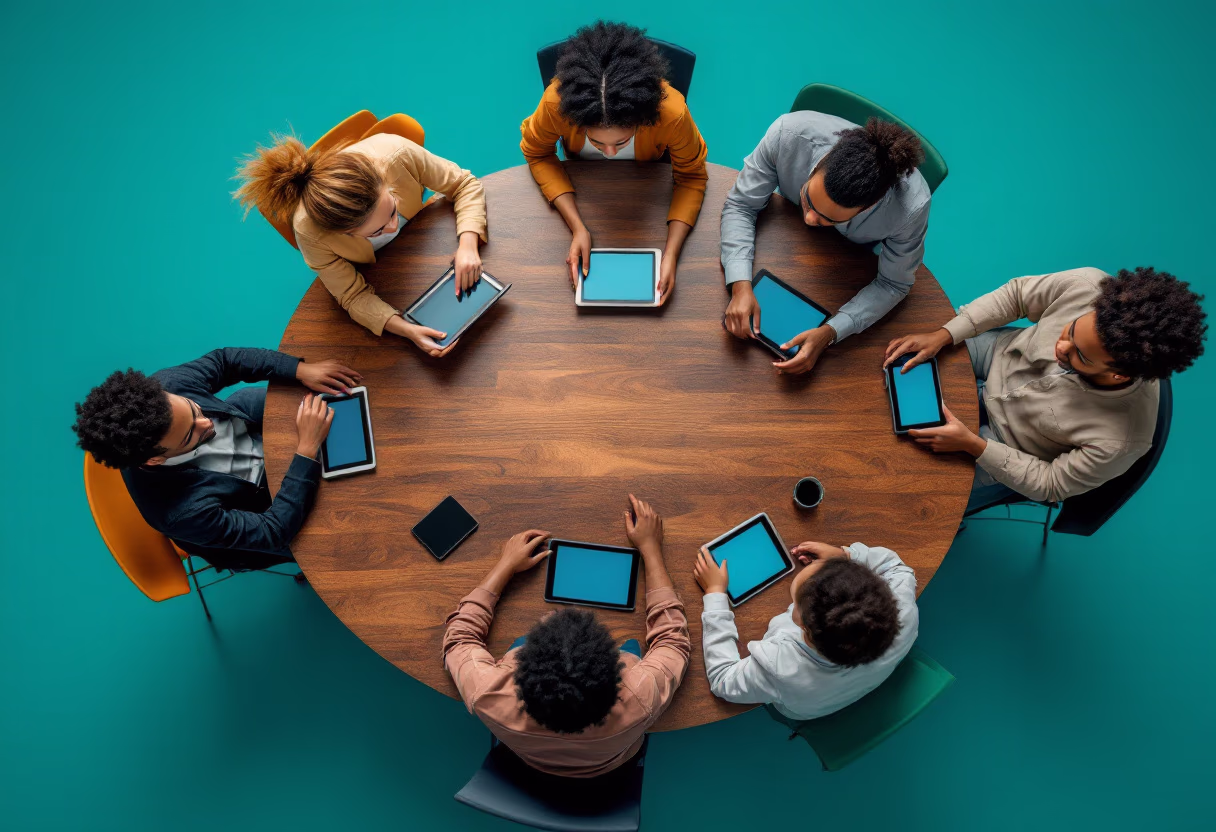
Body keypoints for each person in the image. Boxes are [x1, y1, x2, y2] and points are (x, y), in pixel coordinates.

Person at [883, 267, 1208, 510]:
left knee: (915, 495)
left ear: (1118, 376)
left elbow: (1050, 484)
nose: (1061, 347)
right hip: (996, 353)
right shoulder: (1089, 286)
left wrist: (973, 444)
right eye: (1071, 330)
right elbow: (1017, 295)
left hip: (1005, 444)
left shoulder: (1121, 441)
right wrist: (945, 334)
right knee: (896, 358)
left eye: (1079, 354)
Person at [442, 495, 691, 777]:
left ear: (519, 674)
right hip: (608, 768)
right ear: (618, 674)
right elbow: (672, 641)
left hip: (529, 763)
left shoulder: (488, 692)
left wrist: (505, 565)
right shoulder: (639, 696)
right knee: (635, 646)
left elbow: (459, 638)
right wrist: (651, 549)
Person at [73, 348, 359, 572]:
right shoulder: (180, 513)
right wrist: (307, 448)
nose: (208, 423)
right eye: (189, 436)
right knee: (341, 542)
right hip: (260, 508)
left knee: (342, 413)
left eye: (193, 408)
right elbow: (275, 532)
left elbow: (226, 360)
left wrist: (300, 369)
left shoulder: (167, 387)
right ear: (155, 460)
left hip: (252, 429)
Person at [235, 131, 487, 356]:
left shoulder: (396, 153)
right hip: (385, 276)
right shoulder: (310, 233)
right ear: (342, 234)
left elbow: (463, 184)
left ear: (384, 180)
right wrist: (407, 330)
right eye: (377, 231)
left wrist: (467, 244)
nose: (393, 227)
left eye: (391, 210)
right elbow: (352, 295)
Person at [720, 111, 930, 374]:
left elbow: (894, 283)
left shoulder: (911, 209)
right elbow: (741, 205)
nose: (808, 219)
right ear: (820, 164)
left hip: (850, 264)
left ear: (868, 207)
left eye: (827, 219)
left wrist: (831, 332)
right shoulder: (786, 134)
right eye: (808, 198)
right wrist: (740, 285)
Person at [520, 21, 709, 304]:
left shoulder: (673, 114)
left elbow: (692, 177)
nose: (609, 152)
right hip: (589, 196)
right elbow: (537, 152)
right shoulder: (554, 105)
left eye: (621, 142)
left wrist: (670, 255)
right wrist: (578, 227)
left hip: (647, 196)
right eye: (597, 142)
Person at [693, 540, 917, 720]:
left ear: (803, 628)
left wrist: (714, 594)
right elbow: (896, 569)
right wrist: (844, 556)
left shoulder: (781, 668)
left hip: (804, 709)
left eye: (796, 603)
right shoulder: (904, 612)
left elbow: (723, 680)